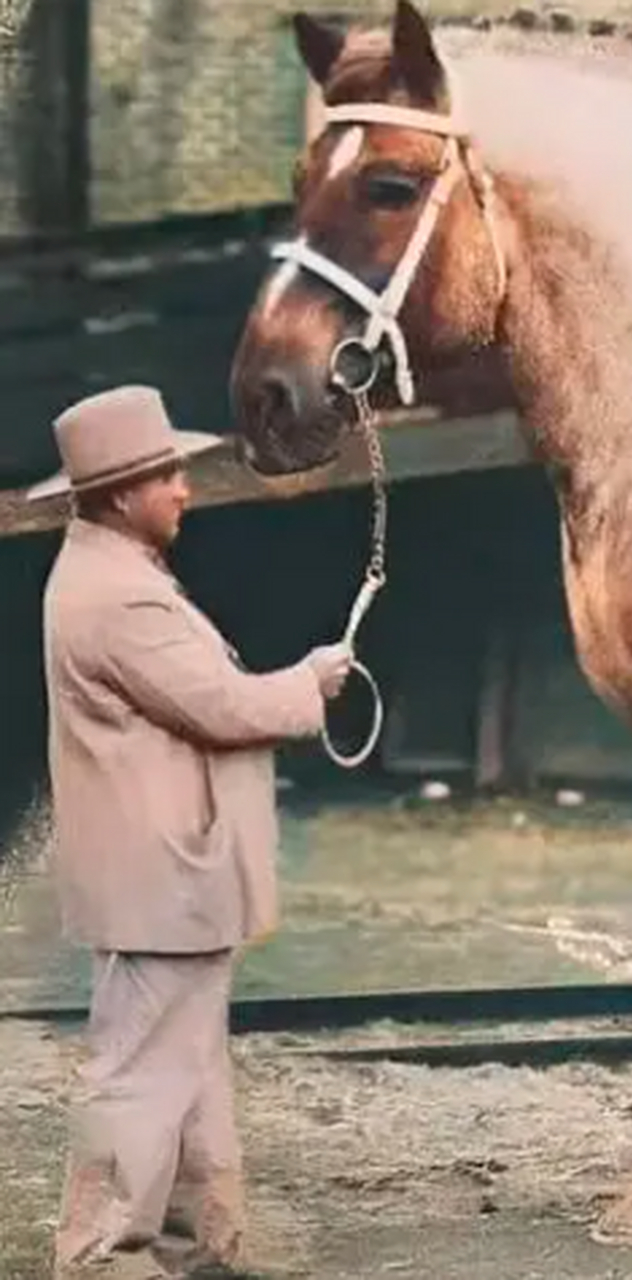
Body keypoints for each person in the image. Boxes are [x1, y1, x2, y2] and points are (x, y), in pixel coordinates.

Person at [28, 385, 353, 1279]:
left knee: (186, 1072)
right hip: (159, 877)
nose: (183, 488)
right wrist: (310, 681)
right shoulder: (118, 598)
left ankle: (195, 1246)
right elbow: (222, 706)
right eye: (164, 473)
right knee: (141, 1077)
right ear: (118, 492)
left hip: (166, 875)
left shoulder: (114, 575)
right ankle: (104, 1255)